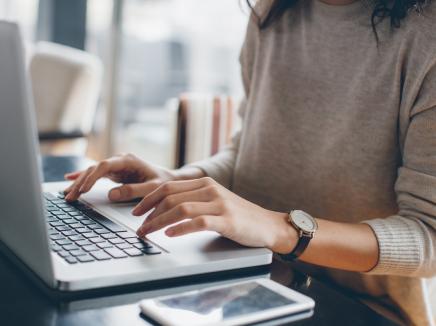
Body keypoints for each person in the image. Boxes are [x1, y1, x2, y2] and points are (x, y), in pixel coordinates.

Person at [64, 0, 436, 324]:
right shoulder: (271, 11)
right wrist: (180, 181)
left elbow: (428, 238)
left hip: (359, 310)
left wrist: (281, 229)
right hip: (245, 280)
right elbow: (247, 152)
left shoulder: (426, 37)